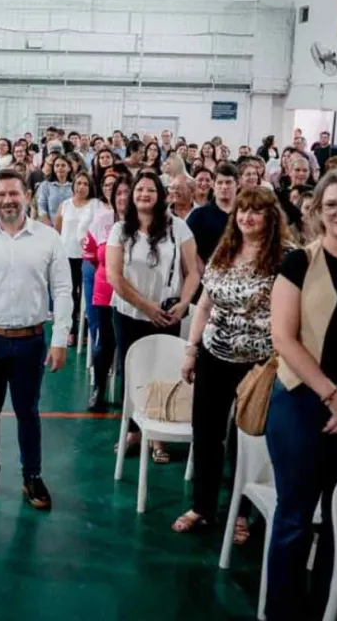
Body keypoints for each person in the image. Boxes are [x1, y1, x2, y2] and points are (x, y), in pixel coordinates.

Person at [266, 168, 337, 621]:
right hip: (304, 402)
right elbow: (284, 338)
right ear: (318, 214)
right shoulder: (299, 263)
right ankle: (283, 610)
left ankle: (328, 606)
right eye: (332, 205)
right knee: (295, 518)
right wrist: (333, 397)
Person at [172, 188, 290, 546]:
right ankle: (203, 506)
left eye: (256, 212)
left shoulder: (285, 259)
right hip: (214, 355)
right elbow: (205, 306)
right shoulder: (225, 252)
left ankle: (240, 512)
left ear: (270, 218)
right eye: (242, 211)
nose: (246, 218)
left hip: (258, 364)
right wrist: (191, 350)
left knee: (247, 440)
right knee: (207, 433)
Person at [0, 168, 72, 508]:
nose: (7, 200)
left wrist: (60, 339)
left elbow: (63, 290)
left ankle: (31, 477)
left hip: (30, 341)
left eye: (14, 193)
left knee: (28, 412)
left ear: (27, 196)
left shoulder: (48, 238)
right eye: (1, 194)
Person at [106, 173, 200, 462]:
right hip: (129, 312)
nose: (144, 194)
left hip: (168, 314)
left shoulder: (178, 228)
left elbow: (193, 272)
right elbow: (114, 276)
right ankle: (133, 429)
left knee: (163, 372)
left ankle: (158, 434)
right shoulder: (121, 230)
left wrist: (184, 304)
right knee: (132, 369)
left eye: (150, 190)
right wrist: (146, 307)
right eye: (139, 190)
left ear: (160, 195)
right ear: (132, 195)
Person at [83, 174, 131, 411]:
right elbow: (91, 254)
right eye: (118, 193)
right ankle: (98, 389)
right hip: (105, 291)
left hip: (131, 294)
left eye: (126, 192)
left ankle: (127, 395)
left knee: (127, 346)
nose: (122, 197)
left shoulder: (141, 221)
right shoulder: (102, 219)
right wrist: (108, 272)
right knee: (104, 343)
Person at [54, 171, 102, 346]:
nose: (81, 187)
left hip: (88, 258)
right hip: (68, 256)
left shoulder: (96, 205)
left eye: (85, 184)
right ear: (73, 185)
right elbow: (58, 227)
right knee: (71, 295)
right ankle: (72, 330)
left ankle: (88, 330)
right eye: (79, 183)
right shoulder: (65, 205)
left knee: (88, 296)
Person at [187, 162, 238, 273]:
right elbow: (189, 249)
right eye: (220, 183)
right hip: (206, 275)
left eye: (228, 182)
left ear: (237, 185)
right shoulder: (198, 216)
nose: (224, 187)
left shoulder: (245, 215)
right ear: (213, 185)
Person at [36, 152, 73, 226]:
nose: (60, 168)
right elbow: (41, 208)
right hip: (51, 227)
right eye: (57, 165)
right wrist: (49, 226)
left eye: (63, 165)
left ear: (69, 168)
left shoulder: (74, 185)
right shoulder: (45, 185)